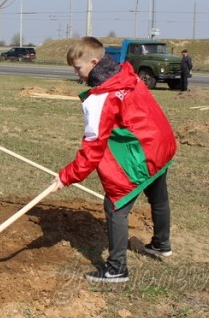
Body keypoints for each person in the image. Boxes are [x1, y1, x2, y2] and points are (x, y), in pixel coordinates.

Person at [56, 36, 176, 283]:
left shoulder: (101, 97)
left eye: (78, 68)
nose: (77, 75)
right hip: (161, 141)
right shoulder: (124, 74)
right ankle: (161, 244)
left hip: (145, 148)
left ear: (93, 61)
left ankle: (116, 268)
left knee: (116, 205)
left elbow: (93, 148)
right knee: (158, 193)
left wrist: (66, 176)